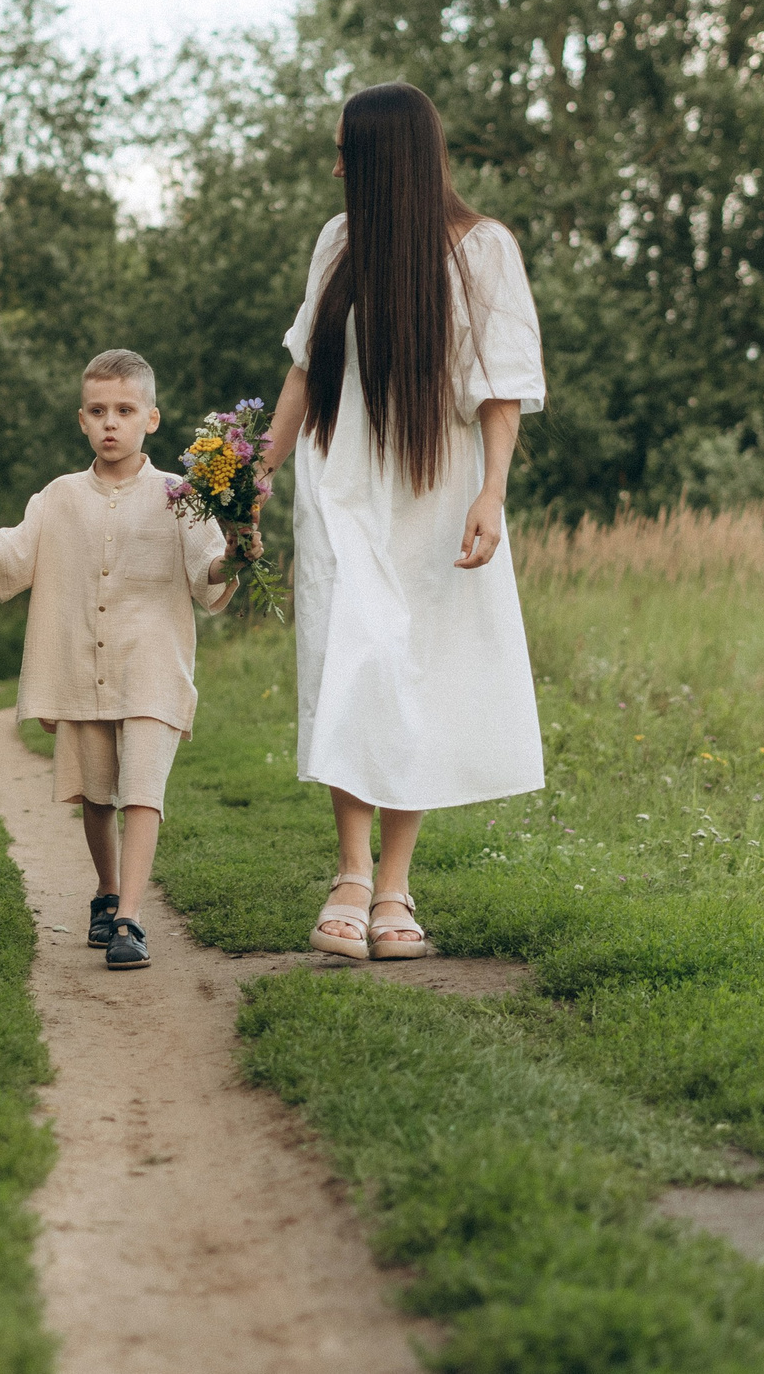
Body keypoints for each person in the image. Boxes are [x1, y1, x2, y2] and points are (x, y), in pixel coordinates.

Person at [260, 82, 546, 961]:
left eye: (350, 150)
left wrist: (490, 494)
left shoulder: (484, 250)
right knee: (353, 660)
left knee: (412, 669)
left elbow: (500, 389)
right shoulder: (338, 243)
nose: (339, 164)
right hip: (343, 481)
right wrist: (248, 475)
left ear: (389, 158)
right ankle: (349, 872)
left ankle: (394, 886)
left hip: (433, 484)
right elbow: (307, 371)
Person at [0, 350, 239, 970]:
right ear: (81, 420)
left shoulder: (180, 496)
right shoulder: (58, 497)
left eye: (125, 411)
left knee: (142, 791)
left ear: (151, 419)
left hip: (152, 664)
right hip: (82, 665)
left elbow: (208, 573)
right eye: (99, 411)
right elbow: (11, 551)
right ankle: (106, 891)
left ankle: (130, 917)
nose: (111, 423)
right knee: (97, 794)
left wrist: (240, 549)